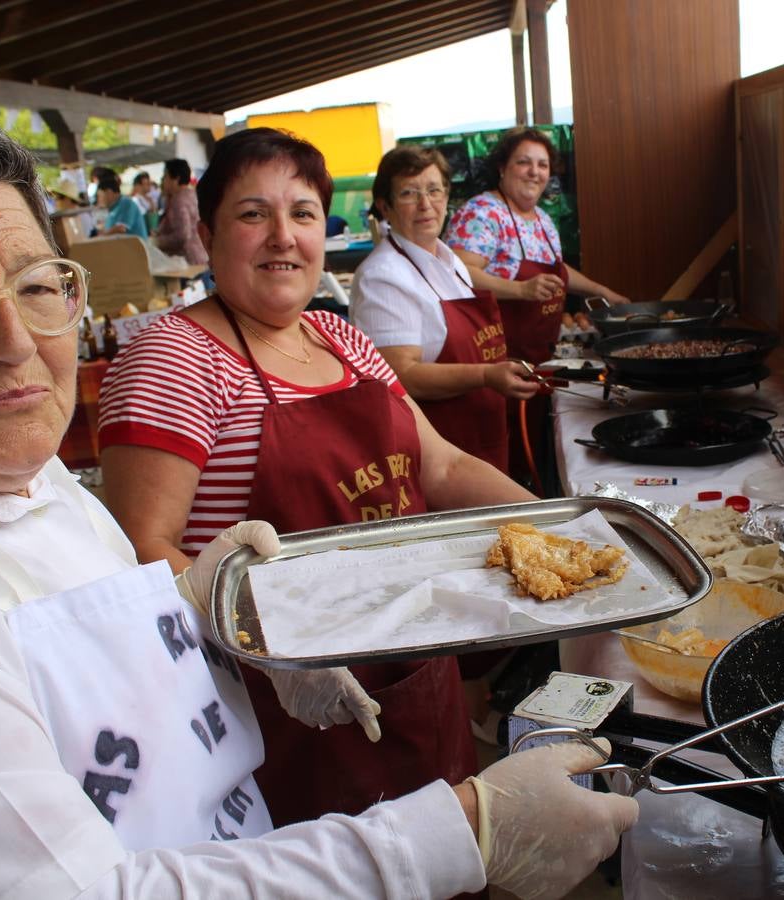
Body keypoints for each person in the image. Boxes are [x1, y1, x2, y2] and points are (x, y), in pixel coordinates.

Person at [0, 112, 637, 899]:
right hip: (298, 764)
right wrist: (465, 829)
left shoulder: (23, 473)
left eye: (39, 285)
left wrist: (573, 535)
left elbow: (443, 463)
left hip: (374, 696)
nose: (12, 340)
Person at [98, 128, 539, 829]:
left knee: (444, 855)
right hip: (275, 713)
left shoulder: (344, 339)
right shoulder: (175, 359)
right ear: (206, 234)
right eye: (252, 215)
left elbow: (443, 466)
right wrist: (277, 656)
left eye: (302, 213)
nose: (283, 236)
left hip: (413, 680)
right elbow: (140, 551)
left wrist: (564, 528)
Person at [351, 144, 538, 472]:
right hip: (439, 455)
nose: (426, 204)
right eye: (409, 193)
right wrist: (486, 374)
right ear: (386, 206)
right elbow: (402, 376)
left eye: (434, 190)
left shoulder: (449, 260)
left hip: (483, 437)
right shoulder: (382, 276)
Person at [445, 126, 629, 367]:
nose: (534, 172)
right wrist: (520, 290)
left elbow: (557, 270)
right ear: (502, 168)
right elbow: (457, 272)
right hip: (494, 361)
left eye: (543, 165)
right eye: (524, 162)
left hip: (539, 359)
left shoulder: (542, 218)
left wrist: (600, 291)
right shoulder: (480, 213)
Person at [153, 157, 209, 266]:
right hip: (202, 257)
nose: (163, 180)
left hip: (188, 262)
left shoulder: (178, 200)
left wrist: (157, 241)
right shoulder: (192, 194)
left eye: (165, 176)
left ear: (176, 179)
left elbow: (182, 235)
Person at [96, 169, 148, 238]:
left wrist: (102, 236)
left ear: (109, 192)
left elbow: (121, 228)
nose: (99, 200)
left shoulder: (126, 203)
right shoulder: (113, 207)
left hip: (135, 248)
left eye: (100, 196)